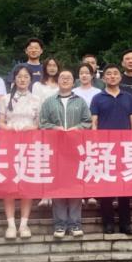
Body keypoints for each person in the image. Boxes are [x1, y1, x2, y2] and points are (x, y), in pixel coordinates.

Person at [39, 69, 92, 238]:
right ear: (58, 80)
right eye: (62, 77)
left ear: (73, 81)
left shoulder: (80, 101)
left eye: (69, 77)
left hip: (76, 149)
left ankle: (75, 224)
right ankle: (60, 224)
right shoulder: (49, 102)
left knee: (75, 186)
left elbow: (88, 121)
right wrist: (54, 128)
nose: (65, 80)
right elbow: (42, 123)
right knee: (58, 186)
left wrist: (77, 128)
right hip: (55, 149)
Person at [89, 64, 132, 235]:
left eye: (115, 73)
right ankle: (108, 223)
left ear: (120, 77)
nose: (112, 76)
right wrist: (96, 143)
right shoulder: (97, 98)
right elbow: (94, 122)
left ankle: (126, 223)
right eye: (108, 74)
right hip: (105, 148)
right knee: (106, 186)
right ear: (103, 78)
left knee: (125, 186)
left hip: (125, 147)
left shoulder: (128, 97)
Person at [0, 67, 43, 239]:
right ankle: (10, 224)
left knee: (26, 183)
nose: (22, 79)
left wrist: (31, 128)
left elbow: (39, 124)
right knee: (9, 184)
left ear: (30, 80)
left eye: (26, 77)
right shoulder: (5, 99)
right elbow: (0, 122)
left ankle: (24, 224)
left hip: (29, 144)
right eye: (19, 76)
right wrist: (9, 128)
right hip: (9, 144)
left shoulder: (37, 99)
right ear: (14, 79)